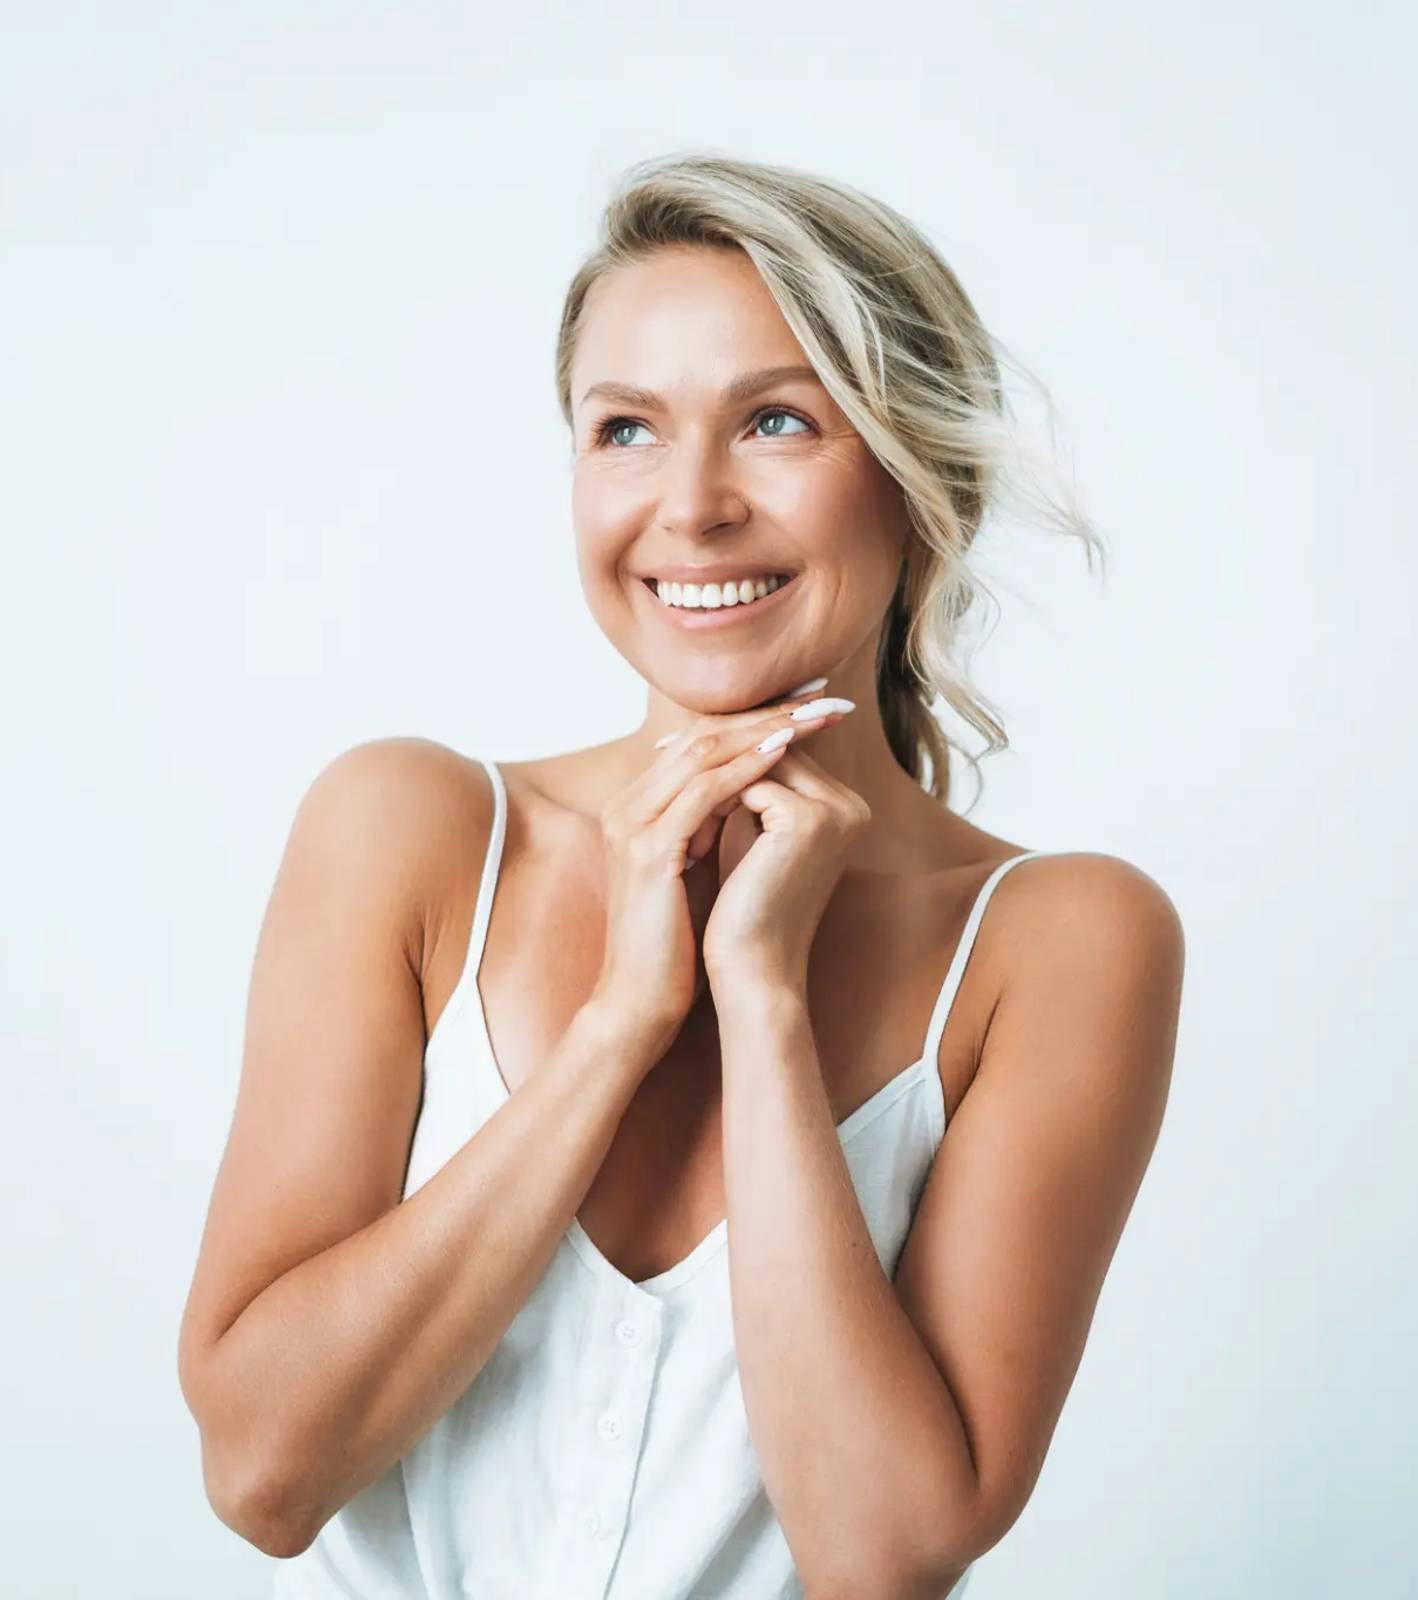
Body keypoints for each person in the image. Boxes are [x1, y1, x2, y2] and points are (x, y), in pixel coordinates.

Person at [176, 151, 1185, 1599]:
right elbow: (265, 1474)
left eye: (776, 422)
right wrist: (622, 1024)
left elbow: (881, 1557)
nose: (692, 506)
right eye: (626, 430)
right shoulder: (410, 831)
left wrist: (761, 1003)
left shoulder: (1057, 941)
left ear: (920, 481)